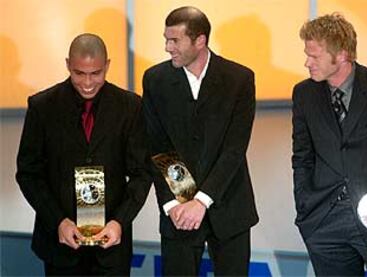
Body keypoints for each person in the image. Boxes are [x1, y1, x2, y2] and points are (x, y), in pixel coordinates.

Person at [16, 33, 151, 276]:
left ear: (107, 66)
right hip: (61, 247)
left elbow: (141, 173)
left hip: (111, 248)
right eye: (79, 73)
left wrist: (119, 221)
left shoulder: (131, 106)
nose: (87, 82)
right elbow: (28, 173)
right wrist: (58, 221)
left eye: (96, 73)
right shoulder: (42, 106)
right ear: (68, 64)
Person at [292, 13, 367, 276]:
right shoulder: (304, 93)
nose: (307, 62)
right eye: (306, 54)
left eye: (314, 56)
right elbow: (302, 156)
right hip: (323, 221)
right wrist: (305, 207)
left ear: (343, 54)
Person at [142, 6, 259, 276]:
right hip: (179, 210)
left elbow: (234, 148)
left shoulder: (239, 79)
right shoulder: (156, 79)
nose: (167, 47)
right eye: (166, 39)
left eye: (175, 40)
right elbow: (158, 146)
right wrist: (180, 202)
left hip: (230, 208)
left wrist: (202, 200)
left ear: (200, 40)